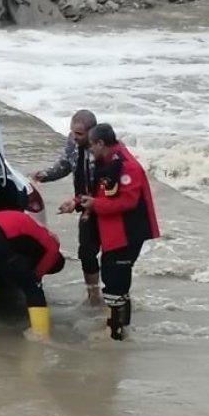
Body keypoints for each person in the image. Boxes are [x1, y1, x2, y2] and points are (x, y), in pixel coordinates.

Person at [62, 123, 159, 341]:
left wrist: (94, 204)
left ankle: (117, 334)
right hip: (113, 231)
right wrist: (78, 202)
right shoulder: (108, 161)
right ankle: (117, 329)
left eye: (91, 146)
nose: (89, 151)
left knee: (116, 283)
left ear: (100, 143)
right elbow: (100, 192)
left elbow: (128, 202)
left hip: (128, 232)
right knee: (114, 280)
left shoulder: (127, 167)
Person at [32, 109, 101, 306]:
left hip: (104, 205)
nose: (74, 137)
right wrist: (44, 175)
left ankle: (116, 295)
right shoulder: (72, 142)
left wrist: (76, 202)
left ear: (92, 132)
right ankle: (94, 296)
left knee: (112, 255)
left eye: (79, 134)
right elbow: (66, 165)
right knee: (86, 252)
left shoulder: (101, 149)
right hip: (85, 205)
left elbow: (102, 184)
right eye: (72, 132)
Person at [0, 210, 65, 340]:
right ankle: (41, 334)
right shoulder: (52, 250)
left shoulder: (40, 231)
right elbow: (35, 277)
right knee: (32, 287)